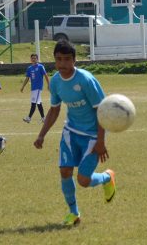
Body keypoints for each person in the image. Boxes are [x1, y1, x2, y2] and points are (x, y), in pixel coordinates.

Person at [34, 41, 115, 228]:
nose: (62, 64)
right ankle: (74, 213)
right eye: (58, 59)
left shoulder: (86, 80)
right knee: (64, 171)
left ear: (74, 60)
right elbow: (54, 110)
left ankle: (106, 177)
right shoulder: (55, 81)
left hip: (93, 135)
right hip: (71, 132)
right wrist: (41, 135)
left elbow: (101, 111)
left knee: (83, 181)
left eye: (67, 59)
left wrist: (101, 141)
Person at [20, 53, 50, 123]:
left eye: (35, 58)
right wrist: (23, 86)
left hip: (38, 88)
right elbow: (27, 78)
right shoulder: (29, 68)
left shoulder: (40, 67)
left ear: (37, 59)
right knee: (38, 103)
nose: (33, 59)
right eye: (32, 58)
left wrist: (49, 84)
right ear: (31, 59)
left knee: (33, 103)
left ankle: (29, 118)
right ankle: (43, 118)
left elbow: (46, 75)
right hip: (33, 88)